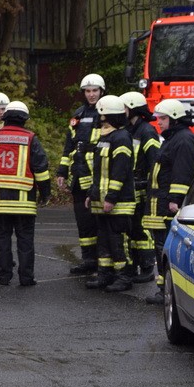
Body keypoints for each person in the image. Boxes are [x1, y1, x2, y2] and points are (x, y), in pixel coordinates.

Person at [0, 100, 51, 287]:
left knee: (1, 240)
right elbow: (41, 169)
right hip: (24, 202)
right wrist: (45, 194)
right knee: (25, 241)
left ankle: (4, 277)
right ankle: (26, 278)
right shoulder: (31, 138)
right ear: (25, 119)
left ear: (6, 117)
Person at [142, 98, 194, 304]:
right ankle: (164, 289)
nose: (159, 122)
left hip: (169, 205)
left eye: (163, 118)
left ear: (175, 119)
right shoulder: (174, 138)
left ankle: (168, 291)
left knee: (166, 247)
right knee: (161, 246)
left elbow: (182, 172)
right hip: (162, 203)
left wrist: (176, 199)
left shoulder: (183, 140)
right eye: (159, 118)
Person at [84, 95, 136, 292]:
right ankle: (105, 275)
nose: (99, 118)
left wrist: (112, 197)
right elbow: (98, 171)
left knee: (118, 240)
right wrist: (92, 193)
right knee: (103, 239)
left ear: (108, 116)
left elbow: (120, 171)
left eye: (102, 114)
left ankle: (124, 277)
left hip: (118, 202)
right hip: (102, 200)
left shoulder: (121, 138)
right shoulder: (104, 137)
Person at [57, 73, 104, 275]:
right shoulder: (78, 114)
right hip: (78, 176)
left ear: (102, 91)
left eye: (94, 91)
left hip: (98, 176)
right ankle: (88, 260)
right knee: (83, 222)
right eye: (88, 91)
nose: (91, 94)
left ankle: (104, 262)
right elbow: (69, 144)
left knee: (100, 222)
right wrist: (62, 170)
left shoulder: (108, 112)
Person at [120, 91, 160, 284]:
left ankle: (146, 267)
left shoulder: (147, 131)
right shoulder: (129, 129)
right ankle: (136, 264)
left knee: (142, 229)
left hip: (142, 188)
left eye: (125, 107)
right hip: (131, 187)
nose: (122, 111)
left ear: (133, 108)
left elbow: (155, 161)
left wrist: (150, 184)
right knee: (132, 229)